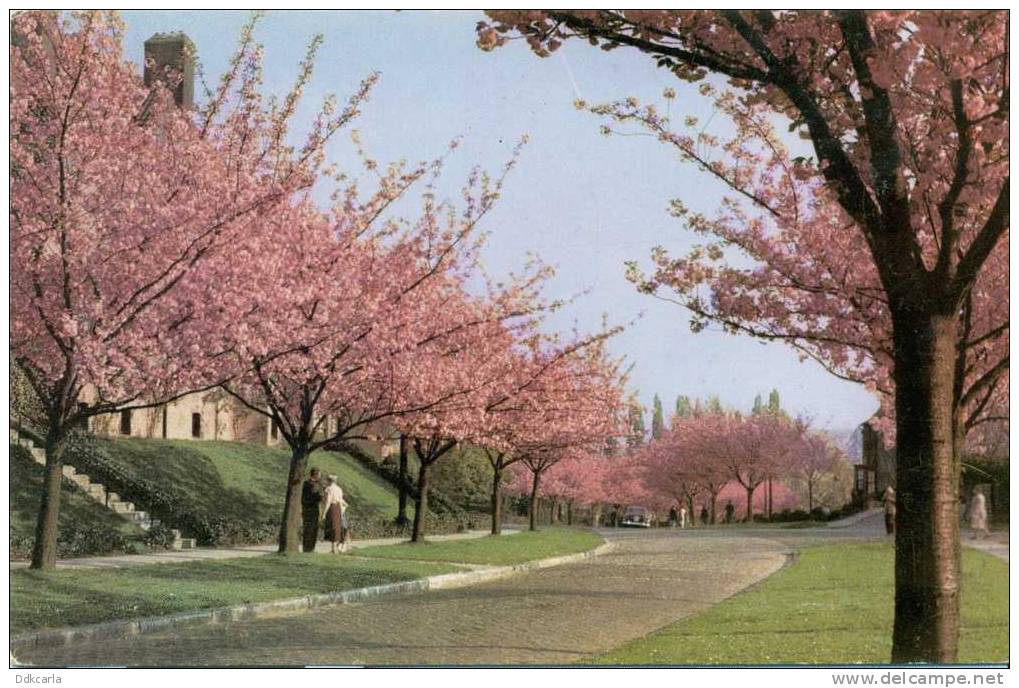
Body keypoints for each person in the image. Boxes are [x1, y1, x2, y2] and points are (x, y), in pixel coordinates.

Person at [321, 475, 349, 554]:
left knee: (332, 527)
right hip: (338, 509)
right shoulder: (339, 489)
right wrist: (344, 507)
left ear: (329, 481)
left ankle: (333, 548)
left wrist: (324, 513)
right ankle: (335, 547)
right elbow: (340, 500)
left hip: (332, 508)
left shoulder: (329, 489)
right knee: (337, 527)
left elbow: (328, 502)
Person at [300, 467, 323, 553]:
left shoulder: (316, 484)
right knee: (308, 529)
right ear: (315, 475)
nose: (320, 477)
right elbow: (307, 498)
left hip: (314, 509)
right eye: (319, 475)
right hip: (309, 509)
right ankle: (307, 548)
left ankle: (311, 548)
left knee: (314, 529)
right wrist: (319, 497)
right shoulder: (307, 484)